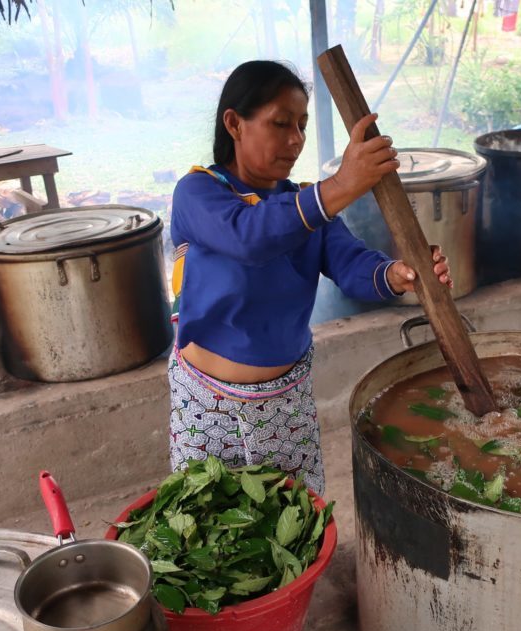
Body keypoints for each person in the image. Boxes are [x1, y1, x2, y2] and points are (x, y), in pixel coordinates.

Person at [167, 60, 452, 495]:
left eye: (301, 125)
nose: (296, 140)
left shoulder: (306, 203)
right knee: (209, 522)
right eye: (281, 124)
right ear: (234, 124)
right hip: (207, 403)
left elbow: (353, 265)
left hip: (287, 401)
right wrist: (342, 185)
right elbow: (249, 237)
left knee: (293, 517)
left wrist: (398, 274)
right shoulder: (199, 193)